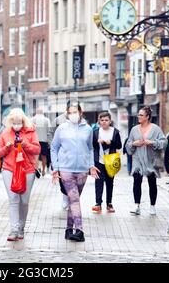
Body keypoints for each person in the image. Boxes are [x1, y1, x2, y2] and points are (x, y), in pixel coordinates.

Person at [51, 103, 99, 242]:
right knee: (74, 199)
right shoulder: (61, 128)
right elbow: (54, 148)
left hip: (82, 170)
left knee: (74, 201)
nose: (73, 114)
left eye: (75, 111)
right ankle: (80, 230)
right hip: (66, 169)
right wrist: (56, 167)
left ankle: (68, 229)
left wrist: (91, 165)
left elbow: (90, 148)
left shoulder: (88, 129)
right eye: (70, 112)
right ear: (67, 113)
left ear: (80, 112)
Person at [0, 108, 41, 241]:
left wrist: (26, 144)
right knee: (13, 199)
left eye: (19, 122)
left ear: (23, 121)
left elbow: (37, 149)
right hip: (9, 169)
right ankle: (14, 229)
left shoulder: (31, 131)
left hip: (27, 169)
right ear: (10, 122)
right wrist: (7, 147)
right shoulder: (5, 133)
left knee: (24, 201)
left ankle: (21, 227)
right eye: (14, 122)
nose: (16, 125)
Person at [125, 106, 167, 216]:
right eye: (138, 114)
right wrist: (134, 144)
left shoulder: (156, 129)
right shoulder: (134, 129)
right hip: (137, 159)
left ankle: (152, 206)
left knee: (152, 183)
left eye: (141, 115)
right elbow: (128, 144)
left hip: (151, 160)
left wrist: (152, 142)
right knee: (137, 180)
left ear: (147, 117)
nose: (139, 117)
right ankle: (137, 205)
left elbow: (164, 143)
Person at [92, 111, 122, 214]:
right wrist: (97, 142)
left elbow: (119, 145)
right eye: (102, 120)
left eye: (106, 120)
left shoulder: (115, 131)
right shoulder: (95, 132)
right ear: (99, 121)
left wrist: (111, 142)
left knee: (110, 182)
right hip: (99, 161)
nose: (104, 122)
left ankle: (109, 203)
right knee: (98, 182)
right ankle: (98, 203)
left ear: (110, 121)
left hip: (111, 160)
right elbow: (92, 146)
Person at [31, 106, 51, 175]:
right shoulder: (47, 120)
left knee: (35, 155)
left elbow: (30, 130)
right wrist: (49, 141)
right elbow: (49, 131)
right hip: (44, 140)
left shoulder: (32, 119)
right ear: (43, 112)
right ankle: (43, 170)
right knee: (44, 156)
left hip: (34, 140)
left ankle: (35, 169)